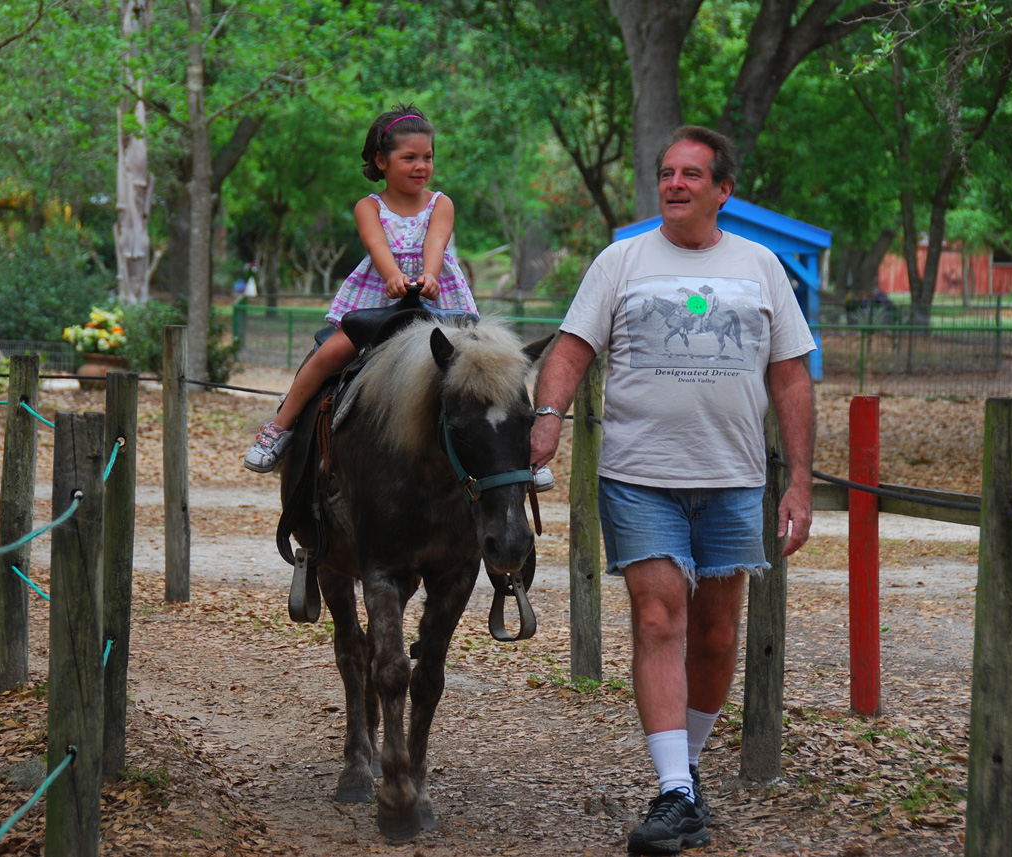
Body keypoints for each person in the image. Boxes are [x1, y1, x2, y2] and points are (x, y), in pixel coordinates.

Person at [529, 126, 815, 855]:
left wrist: (801, 482)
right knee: (660, 619)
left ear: (723, 190)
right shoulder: (621, 261)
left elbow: (789, 375)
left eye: (692, 174)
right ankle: (674, 792)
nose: (676, 184)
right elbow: (570, 349)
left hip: (733, 480)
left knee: (716, 636)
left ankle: (685, 767)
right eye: (667, 173)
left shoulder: (760, 267)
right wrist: (547, 417)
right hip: (639, 476)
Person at [243, 104, 555, 490]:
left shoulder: (441, 203)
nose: (421, 166)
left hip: (436, 295)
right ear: (381, 160)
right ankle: (280, 427)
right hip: (381, 296)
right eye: (409, 158)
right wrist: (392, 277)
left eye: (427, 157)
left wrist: (428, 275)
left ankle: (524, 450)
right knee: (331, 352)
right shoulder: (368, 207)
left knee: (488, 361)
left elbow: (436, 244)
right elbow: (377, 246)